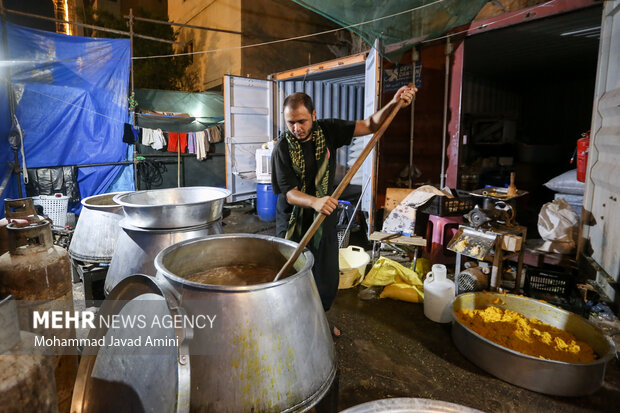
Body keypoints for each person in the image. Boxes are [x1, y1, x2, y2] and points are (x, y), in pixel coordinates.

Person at [271, 85, 416, 335]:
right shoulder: (282, 148)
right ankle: (290, 324)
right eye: (291, 123)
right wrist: (315, 201)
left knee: (324, 272)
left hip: (324, 214)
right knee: (294, 272)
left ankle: (318, 322)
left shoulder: (327, 131)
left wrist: (393, 103)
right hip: (294, 219)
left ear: (314, 116)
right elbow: (290, 193)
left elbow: (370, 124)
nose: (297, 128)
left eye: (302, 121)